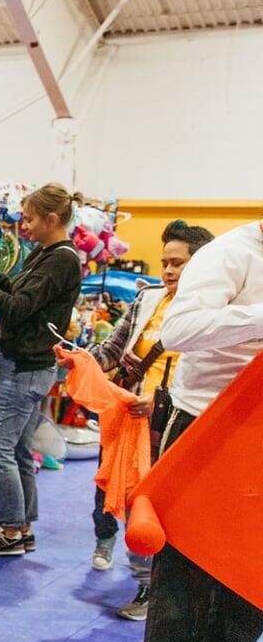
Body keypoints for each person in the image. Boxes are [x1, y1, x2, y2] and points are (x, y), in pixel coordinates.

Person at [137, 217, 263, 642]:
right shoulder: (233, 252)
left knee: (250, 582)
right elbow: (179, 330)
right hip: (207, 428)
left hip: (258, 433)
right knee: (186, 580)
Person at [81, 220, 214, 619]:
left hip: (180, 422)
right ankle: (133, 570)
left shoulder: (215, 312)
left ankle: (155, 588)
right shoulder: (147, 299)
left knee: (159, 507)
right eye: (165, 262)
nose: (169, 271)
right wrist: (81, 359)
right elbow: (113, 348)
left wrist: (157, 398)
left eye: (179, 263)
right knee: (119, 495)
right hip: (133, 422)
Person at [0, 184, 84, 557]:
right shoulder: (48, 254)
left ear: (51, 219)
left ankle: (11, 528)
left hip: (24, 368)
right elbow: (24, 296)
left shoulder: (61, 259)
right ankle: (23, 526)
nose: (24, 225)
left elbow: (15, 309)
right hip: (30, 365)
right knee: (16, 449)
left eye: (30, 218)